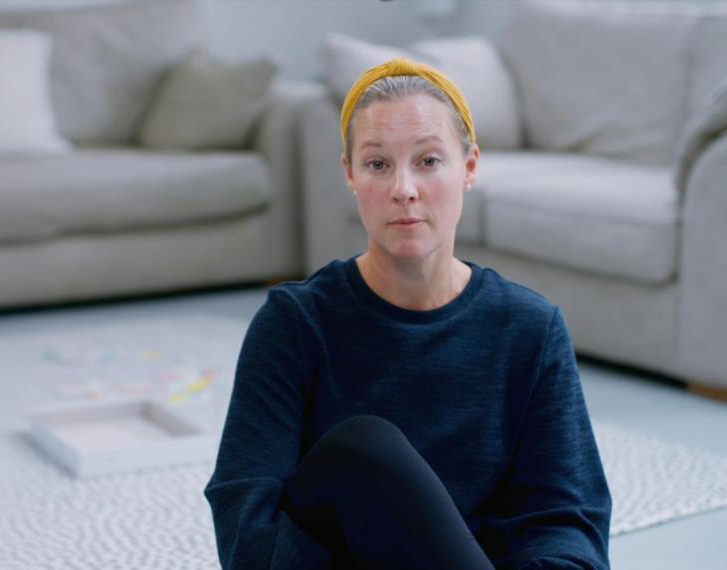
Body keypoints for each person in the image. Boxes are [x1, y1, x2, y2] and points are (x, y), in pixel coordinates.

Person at [203, 56, 612, 570]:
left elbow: (566, 520)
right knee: (362, 450)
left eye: (428, 160)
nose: (404, 189)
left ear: (469, 168)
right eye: (378, 164)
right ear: (350, 174)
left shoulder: (530, 329)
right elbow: (245, 515)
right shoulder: (294, 324)